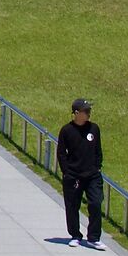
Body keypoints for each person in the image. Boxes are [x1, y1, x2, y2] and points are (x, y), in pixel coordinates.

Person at [56, 98, 104, 247]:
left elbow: (98, 150)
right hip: (74, 175)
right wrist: (67, 172)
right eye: (86, 111)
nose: (89, 114)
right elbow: (61, 153)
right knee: (72, 206)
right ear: (76, 113)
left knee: (96, 203)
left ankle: (94, 237)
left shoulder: (94, 129)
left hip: (92, 175)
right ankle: (75, 235)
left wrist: (97, 166)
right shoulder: (66, 130)